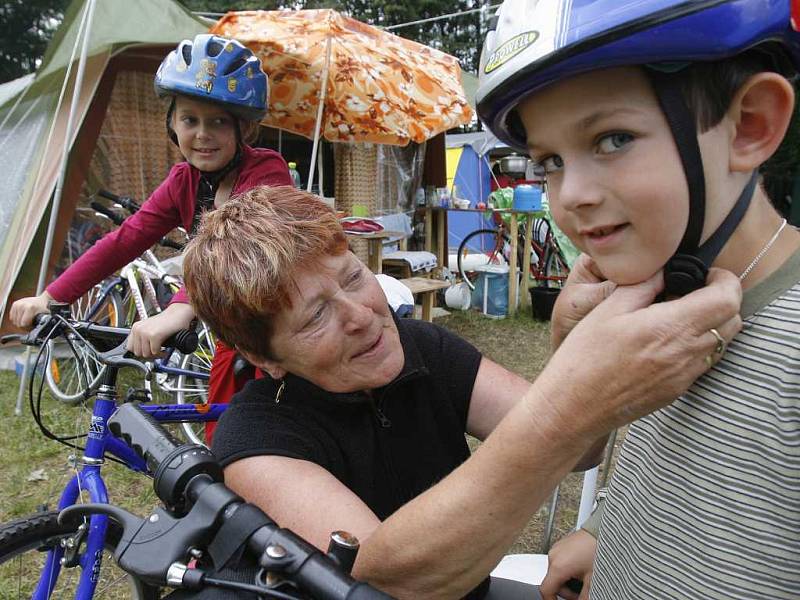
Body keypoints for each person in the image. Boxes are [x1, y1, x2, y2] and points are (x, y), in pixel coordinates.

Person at [180, 184, 741, 599]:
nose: (363, 316)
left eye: (353, 277)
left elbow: (585, 450)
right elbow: (392, 576)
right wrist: (567, 406)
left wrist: (572, 347)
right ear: (264, 357)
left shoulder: (419, 346)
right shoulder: (254, 439)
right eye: (314, 317)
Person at [475, 0, 800, 598]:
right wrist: (606, 531)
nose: (570, 195)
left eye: (612, 139)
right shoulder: (663, 301)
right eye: (549, 161)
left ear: (750, 125)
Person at [9, 34, 293, 436]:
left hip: (286, 325)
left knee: (284, 433)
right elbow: (125, 239)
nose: (202, 134)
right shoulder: (182, 180)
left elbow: (237, 249)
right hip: (236, 330)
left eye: (218, 122)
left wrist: (178, 310)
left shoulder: (267, 172)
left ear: (243, 130)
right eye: (190, 120)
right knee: (222, 434)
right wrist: (52, 295)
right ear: (172, 125)